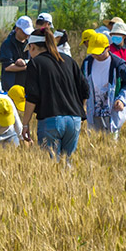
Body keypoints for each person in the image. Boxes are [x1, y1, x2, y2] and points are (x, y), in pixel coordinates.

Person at [21, 27, 89, 160]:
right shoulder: (69, 60)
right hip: (74, 120)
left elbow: (32, 97)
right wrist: (80, 111)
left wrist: (25, 124)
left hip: (51, 119)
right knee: (66, 164)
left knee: (51, 166)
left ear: (33, 47)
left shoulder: (35, 64)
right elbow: (85, 89)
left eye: (29, 49)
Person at [0, 16, 33, 92]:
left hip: (26, 85)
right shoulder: (7, 44)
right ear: (17, 29)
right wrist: (28, 67)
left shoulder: (29, 43)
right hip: (11, 86)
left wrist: (26, 63)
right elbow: (8, 67)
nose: (26, 35)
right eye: (24, 32)